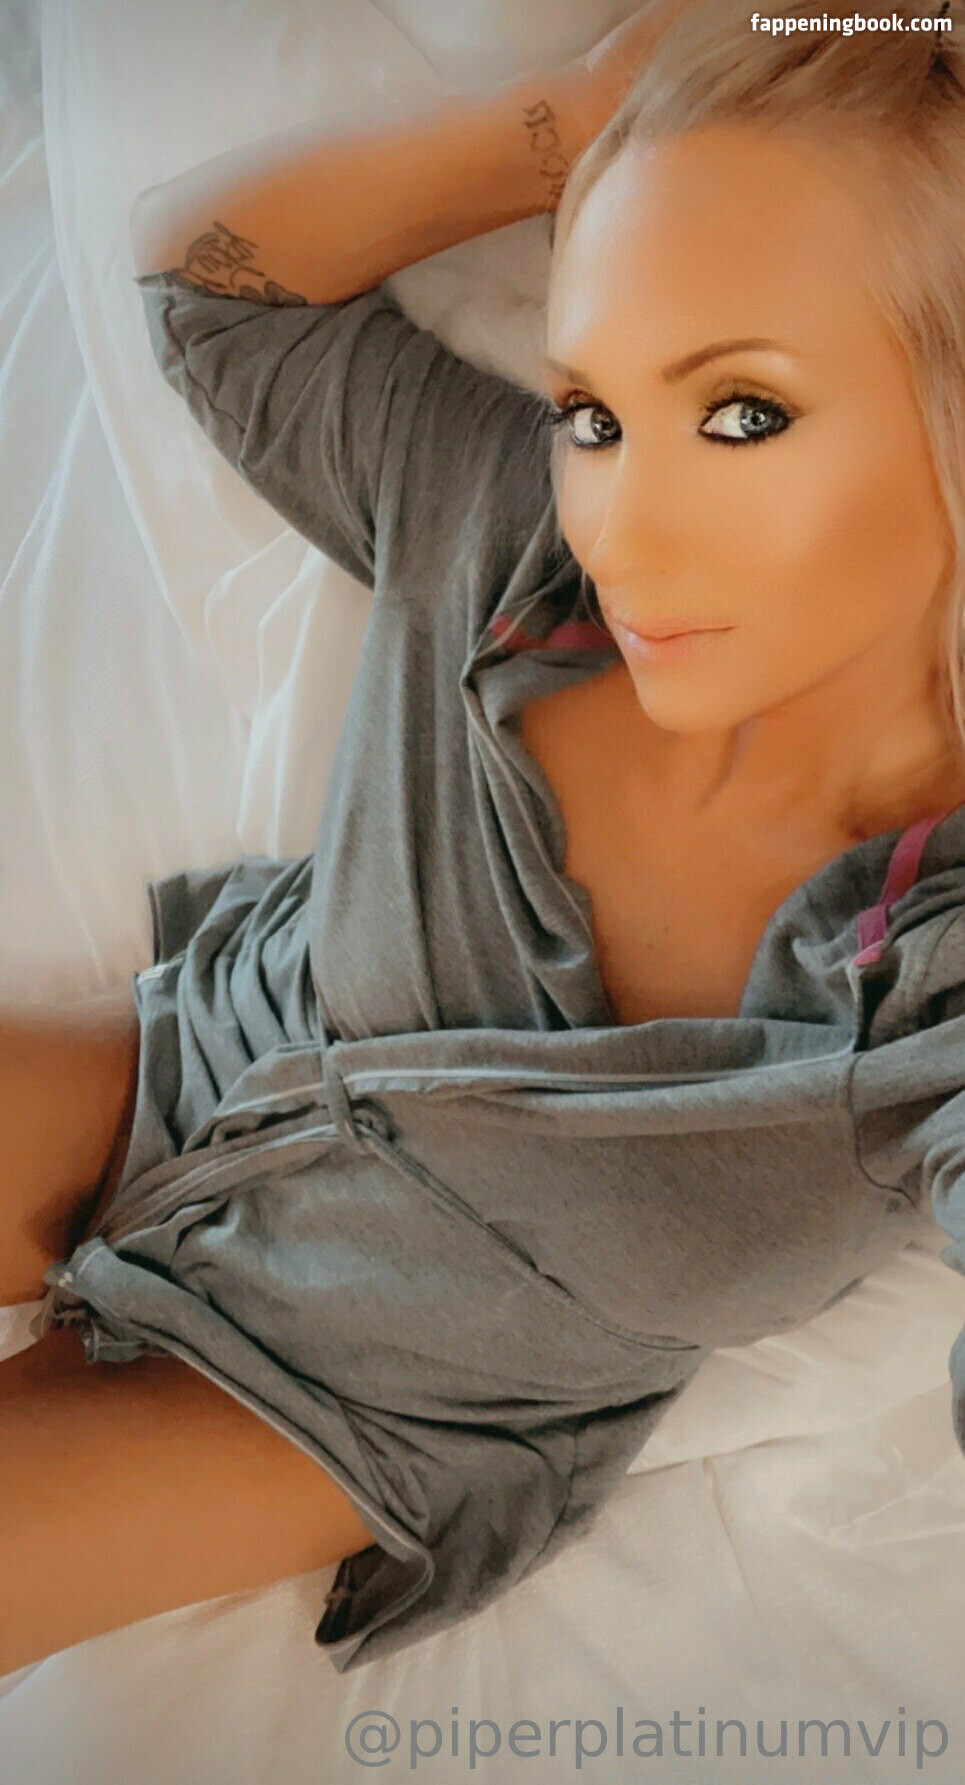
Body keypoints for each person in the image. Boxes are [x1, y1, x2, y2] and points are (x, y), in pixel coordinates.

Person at [2, 0, 964, 1678]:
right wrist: (572, 117)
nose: (625, 522)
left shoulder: (935, 967)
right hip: (189, 1067)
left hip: (357, 1397)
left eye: (740, 411)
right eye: (591, 409)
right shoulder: (504, 536)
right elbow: (214, 289)